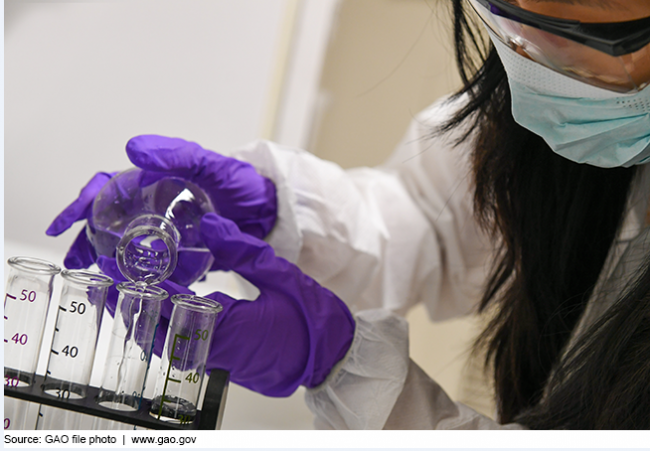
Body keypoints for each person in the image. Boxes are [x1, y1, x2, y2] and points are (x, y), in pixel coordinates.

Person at [47, 0, 650, 429]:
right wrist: (274, 206)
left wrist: (342, 365)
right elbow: (429, 217)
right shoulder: (550, 66)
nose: (527, 42)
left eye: (578, 11)